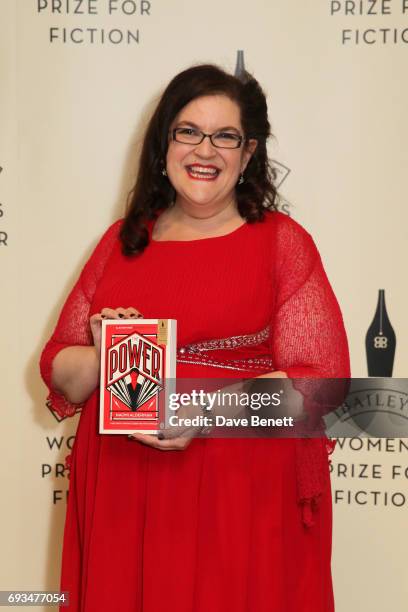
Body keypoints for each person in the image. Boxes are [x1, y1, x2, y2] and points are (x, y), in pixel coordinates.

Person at [40, 64, 350, 612]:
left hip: (238, 492)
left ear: (247, 153)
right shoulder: (122, 240)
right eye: (188, 131)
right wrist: (107, 348)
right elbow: (60, 367)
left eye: (224, 136)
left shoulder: (282, 242)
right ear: (165, 142)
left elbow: (321, 383)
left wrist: (201, 412)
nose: (204, 150)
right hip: (124, 487)